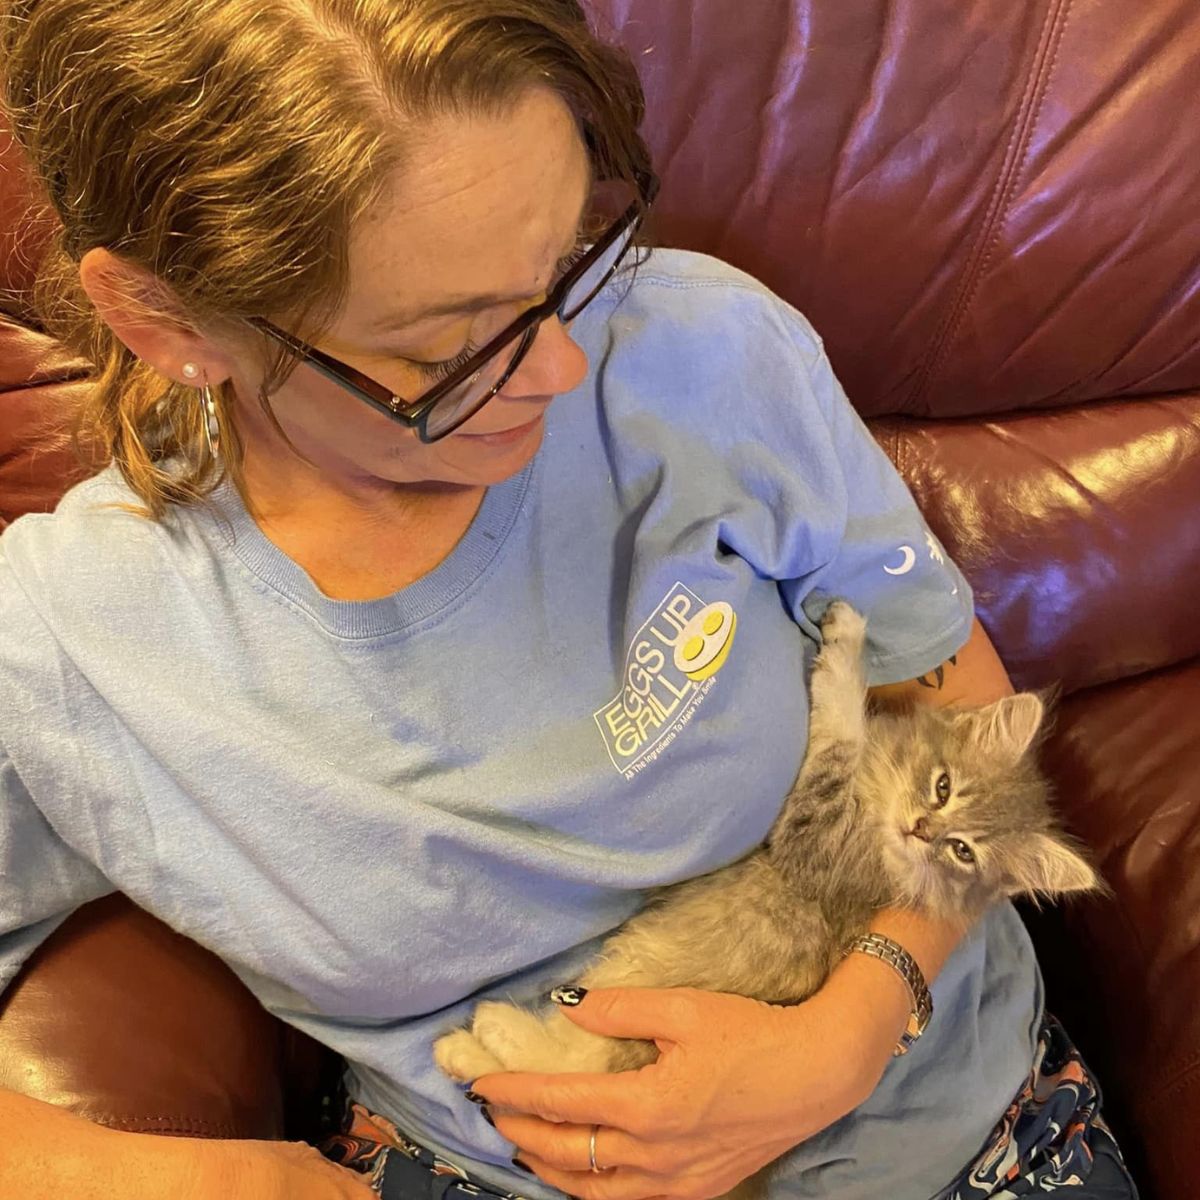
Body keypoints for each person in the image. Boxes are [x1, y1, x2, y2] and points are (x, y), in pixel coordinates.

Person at [0, 2, 1138, 1199]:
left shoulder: (703, 345)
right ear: (165, 319)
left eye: (565, 260)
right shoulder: (71, 647)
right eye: (447, 351)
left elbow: (948, 689)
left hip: (961, 1126)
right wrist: (223, 1184)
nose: (563, 366)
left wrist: (855, 1027)